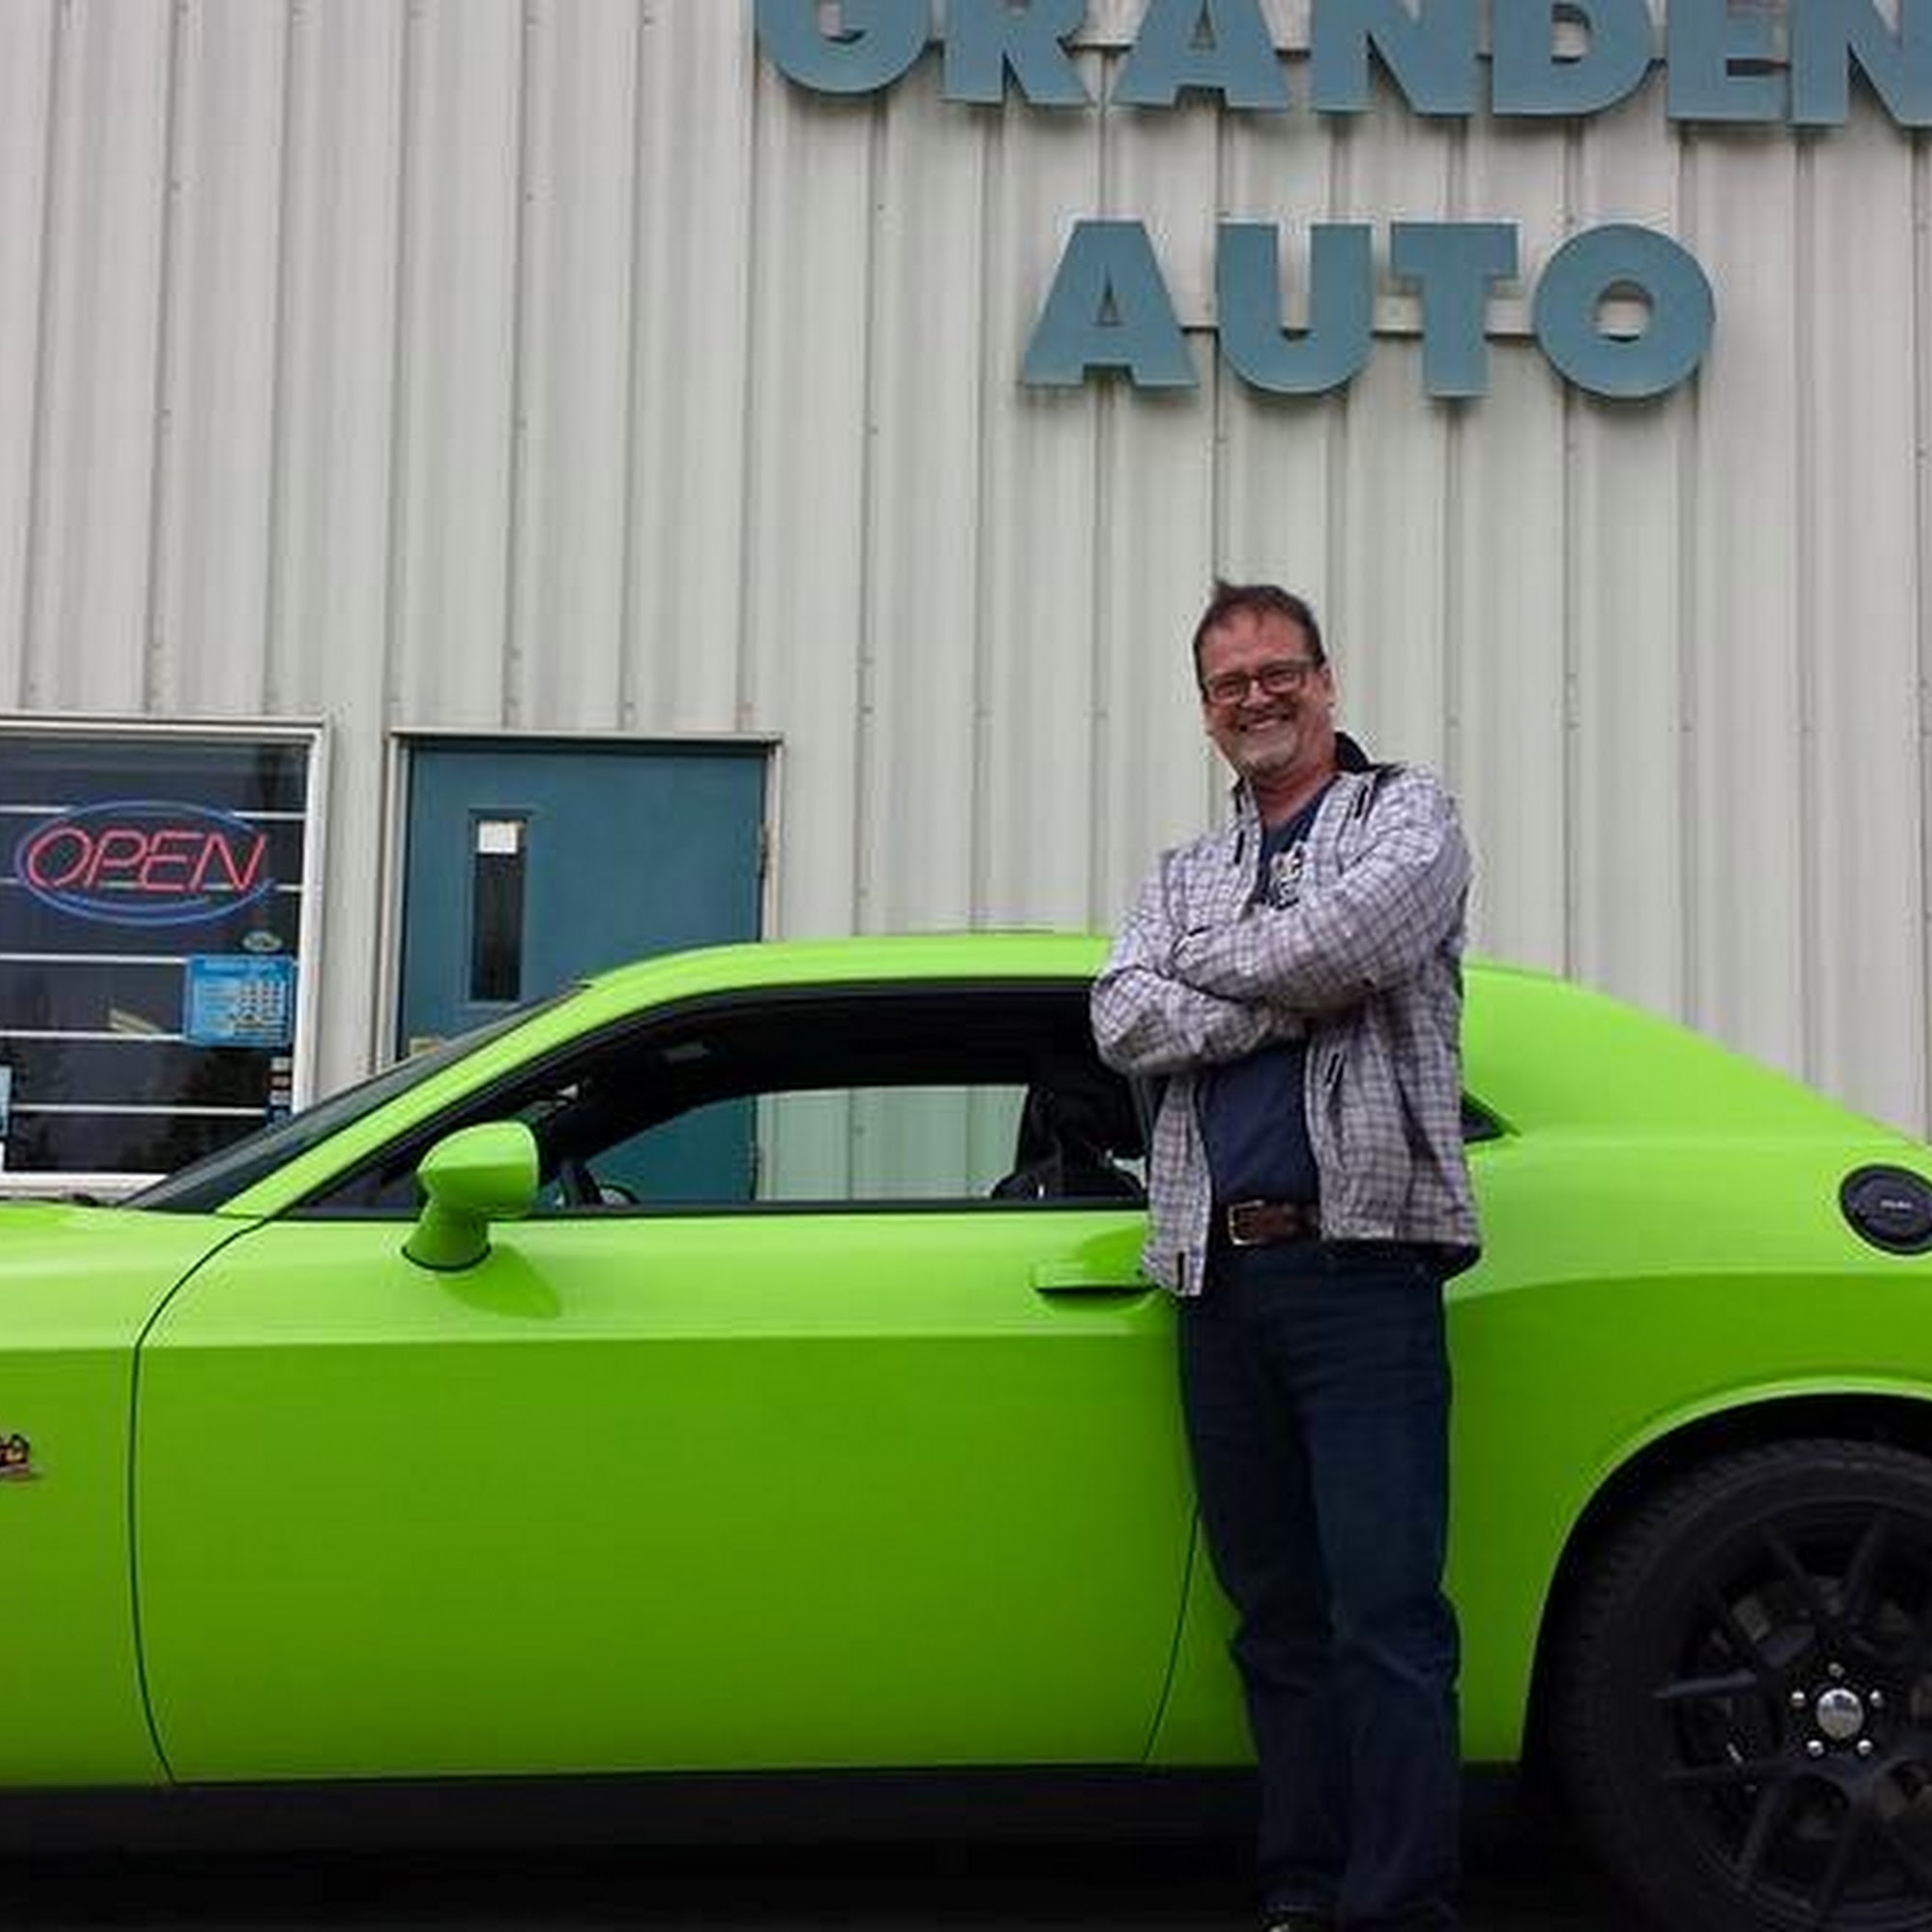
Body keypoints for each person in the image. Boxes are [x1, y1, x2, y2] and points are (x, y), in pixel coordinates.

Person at [1091, 582, 1479, 1932]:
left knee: (1387, 1614)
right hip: (1219, 1284)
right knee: (1275, 1616)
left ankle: (1402, 1903)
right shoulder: (1180, 873)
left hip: (1364, 1271)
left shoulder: (1408, 816)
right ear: (1205, 711)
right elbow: (1120, 1019)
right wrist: (1288, 994)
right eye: (1228, 683)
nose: (1255, 697)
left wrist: (1214, 974)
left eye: (1277, 672)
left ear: (1324, 680)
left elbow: (1363, 939)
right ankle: (1304, 1889)